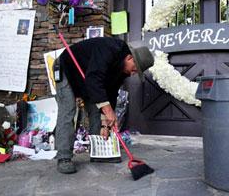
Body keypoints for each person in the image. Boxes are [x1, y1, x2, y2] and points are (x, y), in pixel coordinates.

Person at [54, 37, 154, 174]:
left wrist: (106, 123)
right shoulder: (110, 48)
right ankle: (64, 157)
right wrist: (108, 111)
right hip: (67, 68)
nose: (132, 74)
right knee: (68, 109)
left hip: (87, 78)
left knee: (97, 110)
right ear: (130, 58)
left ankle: (98, 152)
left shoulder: (122, 70)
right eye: (135, 70)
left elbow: (110, 93)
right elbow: (94, 78)